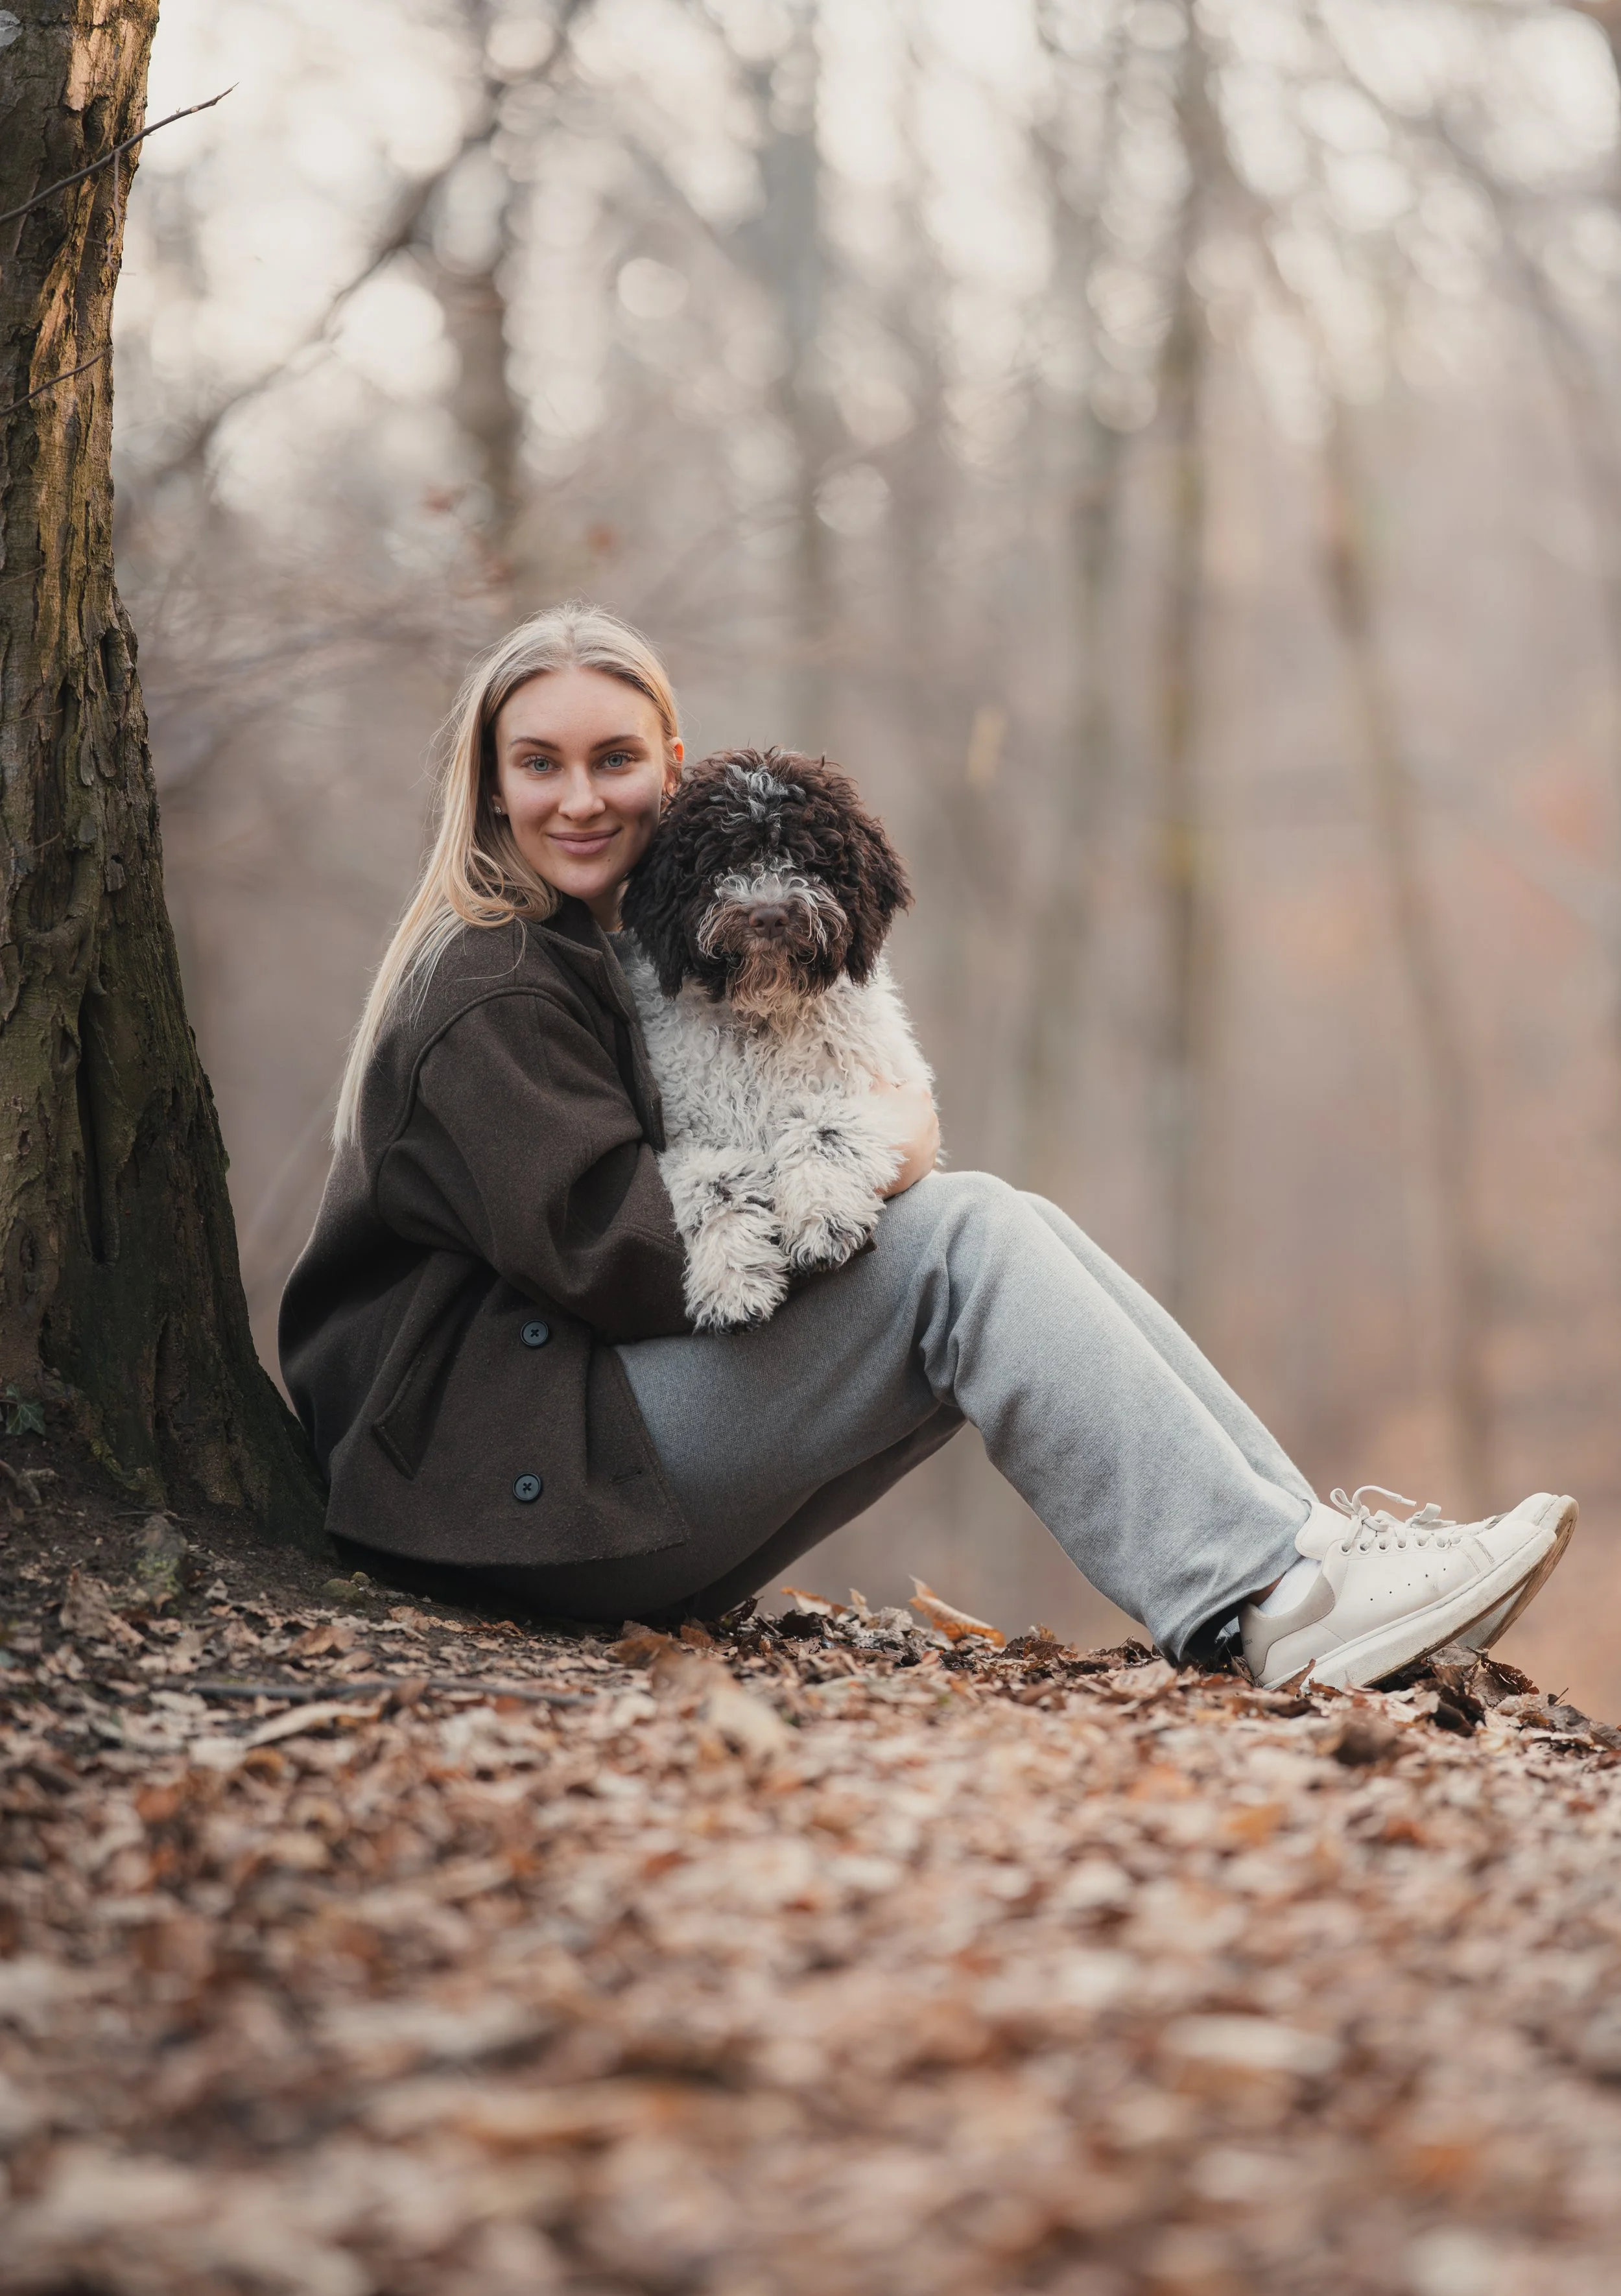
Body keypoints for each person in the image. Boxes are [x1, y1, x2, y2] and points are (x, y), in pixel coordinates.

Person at [279, 604, 1576, 1690]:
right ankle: (1269, 1601)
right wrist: (879, 1156)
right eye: (539, 764)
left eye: (612, 759)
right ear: (489, 787)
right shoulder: (491, 981)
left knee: (991, 1219)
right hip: (500, 1498)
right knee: (961, 1238)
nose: (579, 798)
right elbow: (620, 1259)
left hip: (558, 1480)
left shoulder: (608, 955)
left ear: (669, 768)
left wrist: (876, 1154)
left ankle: (1305, 1563)